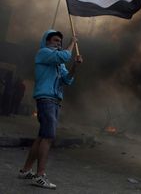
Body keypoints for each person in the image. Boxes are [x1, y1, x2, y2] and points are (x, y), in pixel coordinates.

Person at [18, 29, 82, 189]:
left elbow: (67, 80)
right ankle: (40, 176)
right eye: (55, 41)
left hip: (54, 100)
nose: (58, 44)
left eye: (60, 42)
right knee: (48, 137)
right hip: (46, 99)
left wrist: (74, 65)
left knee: (42, 136)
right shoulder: (44, 53)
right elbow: (64, 55)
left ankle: (26, 170)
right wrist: (73, 42)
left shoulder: (58, 63)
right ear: (46, 42)